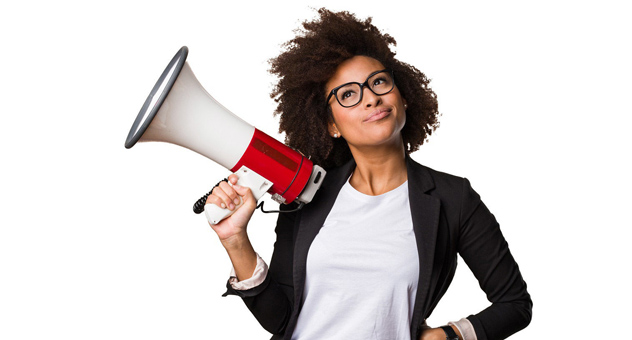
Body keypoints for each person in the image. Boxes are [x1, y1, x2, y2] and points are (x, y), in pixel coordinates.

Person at [205, 8, 532, 340]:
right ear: (331, 125)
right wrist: (235, 240)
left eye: (379, 82)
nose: (371, 97)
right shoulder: (307, 194)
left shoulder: (452, 198)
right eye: (348, 94)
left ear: (402, 96)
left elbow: (515, 304)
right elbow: (279, 319)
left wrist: (452, 334)